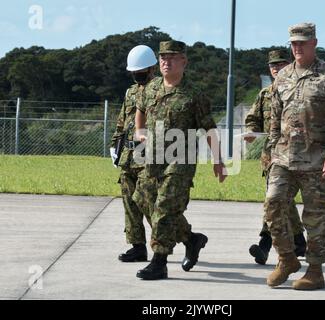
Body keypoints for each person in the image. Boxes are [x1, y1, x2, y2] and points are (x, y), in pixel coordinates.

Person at [265, 23, 325, 290]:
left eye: (303, 42)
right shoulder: (282, 77)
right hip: (283, 158)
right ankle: (287, 259)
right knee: (273, 204)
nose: (297, 47)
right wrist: (269, 153)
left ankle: (315, 271)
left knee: (315, 217)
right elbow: (274, 119)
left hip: (317, 160)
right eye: (293, 43)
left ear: (314, 42)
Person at [134, 40, 226, 280]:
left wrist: (218, 160)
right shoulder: (152, 88)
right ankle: (191, 239)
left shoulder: (194, 95)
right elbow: (140, 109)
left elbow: (209, 129)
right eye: (163, 58)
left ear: (184, 62)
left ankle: (159, 261)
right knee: (144, 200)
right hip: (153, 158)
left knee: (164, 208)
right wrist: (139, 131)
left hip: (180, 161)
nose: (166, 62)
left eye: (173, 57)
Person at [245, 49, 306, 265]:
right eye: (272, 65)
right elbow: (253, 118)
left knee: (276, 201)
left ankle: (265, 243)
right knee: (280, 201)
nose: (276, 68)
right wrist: (252, 131)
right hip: (271, 159)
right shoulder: (265, 94)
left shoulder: (300, 92)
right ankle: (298, 241)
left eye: (280, 64)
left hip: (296, 157)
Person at [109, 45, 157, 263]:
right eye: (135, 72)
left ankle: (177, 239)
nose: (138, 75)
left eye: (141, 71)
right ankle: (137, 246)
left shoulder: (159, 91)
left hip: (148, 154)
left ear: (151, 69)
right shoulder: (130, 92)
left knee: (148, 202)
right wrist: (114, 145)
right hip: (129, 154)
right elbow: (122, 122)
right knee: (129, 202)